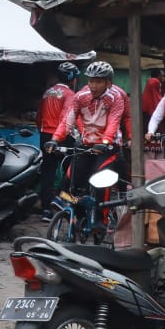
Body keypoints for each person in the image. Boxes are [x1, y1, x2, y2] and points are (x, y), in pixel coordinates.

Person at [52, 60, 130, 188]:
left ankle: (104, 207)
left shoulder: (116, 97)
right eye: (91, 81)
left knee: (101, 183)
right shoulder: (80, 97)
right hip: (86, 144)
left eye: (98, 82)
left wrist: (105, 142)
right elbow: (68, 120)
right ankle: (74, 204)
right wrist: (55, 139)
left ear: (108, 82)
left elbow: (114, 122)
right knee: (69, 183)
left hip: (109, 146)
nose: (93, 86)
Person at [38, 61, 81, 216]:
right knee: (71, 171)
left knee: (48, 172)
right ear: (72, 79)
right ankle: (64, 200)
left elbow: (39, 116)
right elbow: (66, 118)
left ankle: (45, 210)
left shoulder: (47, 92)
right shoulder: (70, 95)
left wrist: (44, 134)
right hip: (61, 136)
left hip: (45, 136)